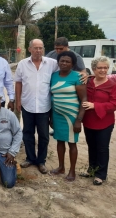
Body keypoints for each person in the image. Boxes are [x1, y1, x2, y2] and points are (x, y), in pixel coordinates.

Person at [15, 39, 58, 174]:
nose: (38, 50)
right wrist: (18, 101)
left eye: (41, 48)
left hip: (44, 106)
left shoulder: (52, 64)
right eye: (36, 48)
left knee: (44, 135)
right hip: (27, 105)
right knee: (27, 133)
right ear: (30, 49)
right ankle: (30, 158)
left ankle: (41, 161)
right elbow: (18, 83)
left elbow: (63, 74)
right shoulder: (22, 64)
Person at [49, 51, 87, 182]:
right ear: (58, 62)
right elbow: (51, 96)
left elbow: (84, 100)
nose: (64, 63)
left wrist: (79, 120)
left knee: (72, 143)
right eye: (62, 61)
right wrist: (51, 118)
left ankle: (72, 171)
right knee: (59, 141)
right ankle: (61, 167)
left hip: (72, 116)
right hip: (57, 114)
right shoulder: (53, 76)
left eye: (67, 61)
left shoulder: (77, 77)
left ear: (73, 64)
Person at [81, 56, 116, 185]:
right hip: (89, 121)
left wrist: (95, 105)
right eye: (100, 67)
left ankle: (101, 174)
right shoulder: (88, 81)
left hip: (104, 122)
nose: (103, 70)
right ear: (94, 69)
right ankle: (91, 169)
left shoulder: (112, 85)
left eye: (105, 67)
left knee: (102, 148)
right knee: (92, 146)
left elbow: (114, 104)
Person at [46, 37, 87, 136]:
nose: (58, 51)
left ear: (67, 46)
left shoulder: (76, 57)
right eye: (56, 48)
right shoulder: (51, 54)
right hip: (55, 84)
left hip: (70, 87)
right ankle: (57, 128)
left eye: (61, 48)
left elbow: (83, 71)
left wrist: (84, 75)